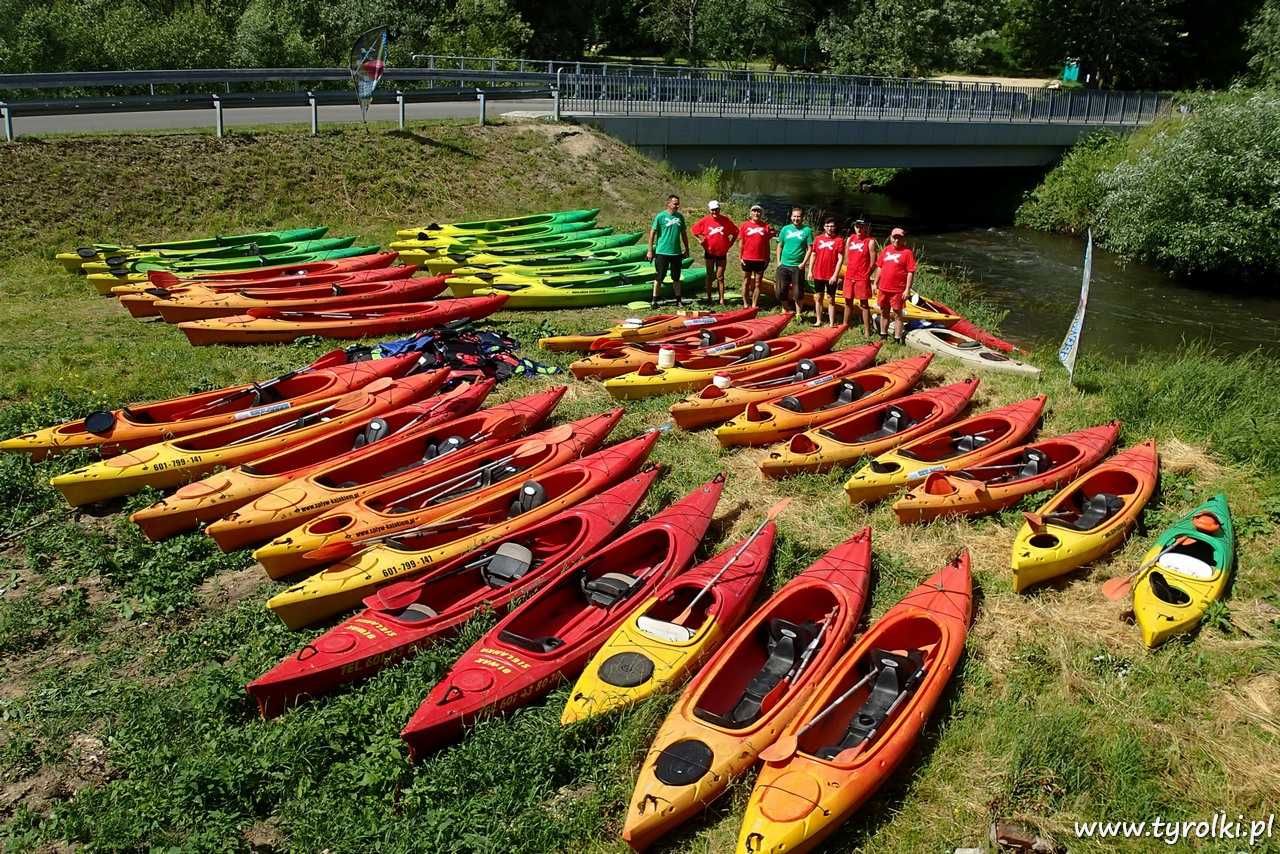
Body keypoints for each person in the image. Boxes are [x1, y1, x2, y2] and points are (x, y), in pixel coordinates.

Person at [873, 226, 917, 344]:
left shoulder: (907, 253)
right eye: (894, 238)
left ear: (903, 239)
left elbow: (910, 272)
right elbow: (880, 267)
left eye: (899, 238)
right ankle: (883, 335)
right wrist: (875, 282)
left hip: (898, 290)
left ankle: (897, 338)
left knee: (898, 314)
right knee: (884, 312)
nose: (896, 240)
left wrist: (907, 289)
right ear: (891, 238)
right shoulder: (886, 250)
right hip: (883, 288)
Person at [690, 200, 739, 305]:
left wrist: (730, 243)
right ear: (709, 210)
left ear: (719, 209)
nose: (715, 212)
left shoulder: (725, 220)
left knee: (720, 276)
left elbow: (735, 232)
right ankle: (709, 298)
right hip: (709, 251)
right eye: (712, 210)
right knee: (709, 275)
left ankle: (721, 299)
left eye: (716, 209)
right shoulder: (705, 220)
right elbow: (694, 230)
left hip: (722, 252)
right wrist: (700, 240)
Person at [647, 194, 689, 308]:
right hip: (662, 252)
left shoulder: (680, 217)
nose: (677, 206)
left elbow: (684, 234)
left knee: (676, 277)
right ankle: (654, 300)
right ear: (668, 203)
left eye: (678, 204)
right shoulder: (660, 217)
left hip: (676, 252)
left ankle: (678, 300)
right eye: (675, 204)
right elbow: (652, 234)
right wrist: (650, 250)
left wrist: (686, 248)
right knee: (659, 276)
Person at [775, 207, 814, 321]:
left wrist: (803, 263)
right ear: (791, 217)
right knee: (780, 290)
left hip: (797, 266)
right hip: (784, 264)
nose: (796, 218)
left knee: (798, 292)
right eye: (794, 216)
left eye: (799, 216)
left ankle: (798, 314)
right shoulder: (785, 229)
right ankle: (786, 308)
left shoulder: (807, 230)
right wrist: (779, 261)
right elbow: (780, 245)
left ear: (802, 217)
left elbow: (810, 248)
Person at [842, 218, 878, 335]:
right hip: (849, 275)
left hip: (862, 278)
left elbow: (873, 263)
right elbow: (846, 259)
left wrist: (867, 274)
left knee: (864, 304)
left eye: (861, 227)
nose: (859, 229)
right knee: (848, 301)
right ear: (854, 227)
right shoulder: (850, 239)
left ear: (865, 228)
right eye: (857, 226)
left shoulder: (870, 241)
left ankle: (867, 330)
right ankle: (844, 325)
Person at [807, 216, 843, 327]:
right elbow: (813, 254)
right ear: (824, 227)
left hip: (831, 275)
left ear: (835, 227)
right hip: (818, 273)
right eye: (827, 226)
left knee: (831, 298)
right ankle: (819, 320)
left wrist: (835, 275)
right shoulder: (818, 239)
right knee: (818, 297)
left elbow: (840, 259)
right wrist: (810, 271)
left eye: (832, 226)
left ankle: (832, 323)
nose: (830, 228)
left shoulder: (839, 240)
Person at [737, 204, 774, 309]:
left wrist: (767, 257)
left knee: (758, 282)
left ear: (761, 214)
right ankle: (745, 303)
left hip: (760, 259)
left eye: (758, 212)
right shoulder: (744, 226)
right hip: (747, 258)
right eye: (754, 211)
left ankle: (754, 304)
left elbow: (767, 243)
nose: (756, 213)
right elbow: (741, 242)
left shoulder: (765, 226)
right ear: (750, 213)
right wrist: (740, 257)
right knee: (746, 280)